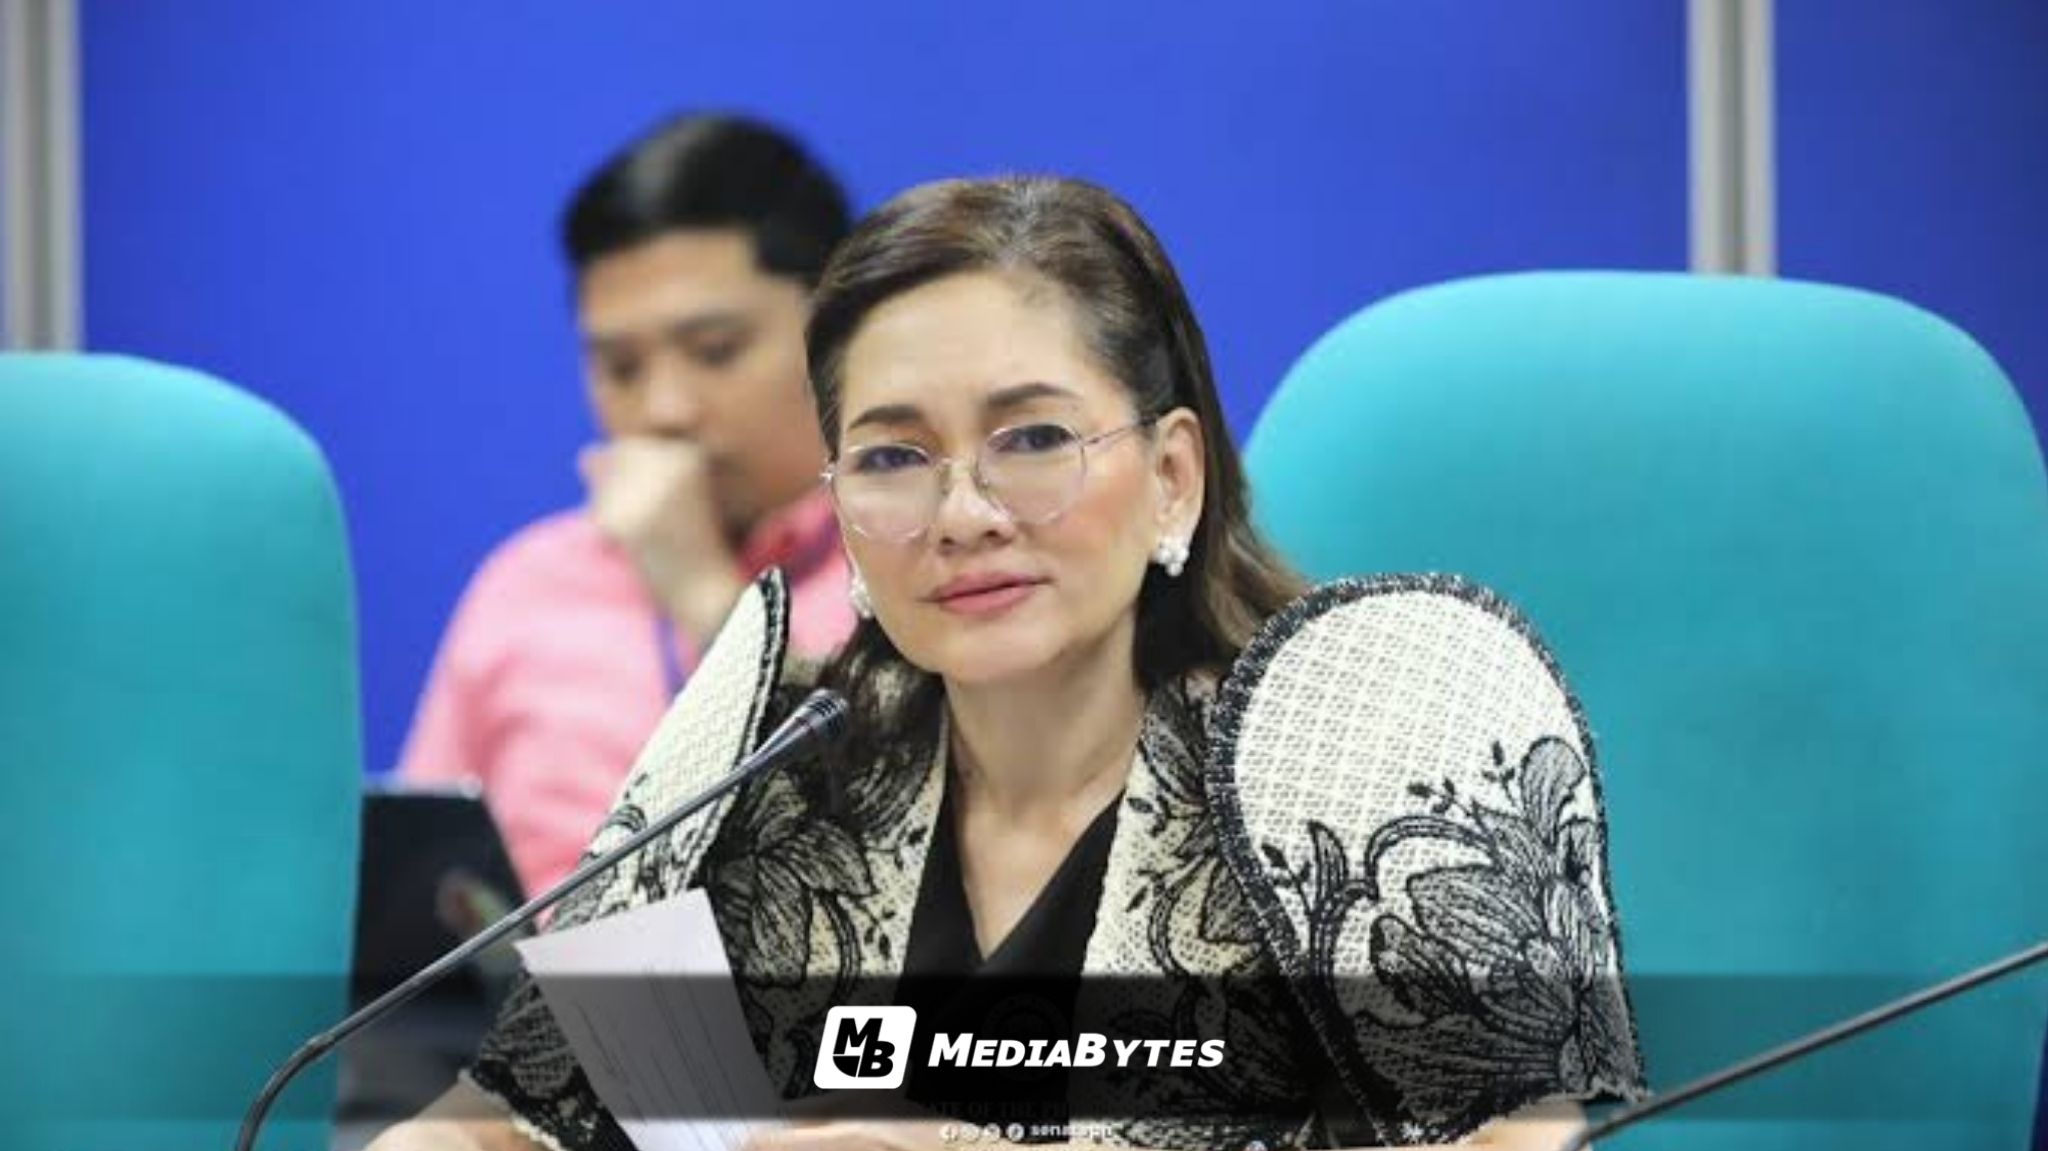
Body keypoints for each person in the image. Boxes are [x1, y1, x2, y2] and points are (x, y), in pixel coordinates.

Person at [370, 175, 1642, 1151]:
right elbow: (518, 1115)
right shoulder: (771, 787)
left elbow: (1510, 1138)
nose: (962, 512)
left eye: (1030, 438)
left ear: (1172, 476)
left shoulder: (1353, 784)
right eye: (891, 456)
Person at [398, 113, 859, 897]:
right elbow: (420, 898)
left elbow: (888, 855)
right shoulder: (524, 585)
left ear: (839, 329)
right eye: (621, 366)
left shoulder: (917, 564)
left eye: (716, 351)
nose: (665, 408)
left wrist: (705, 593)